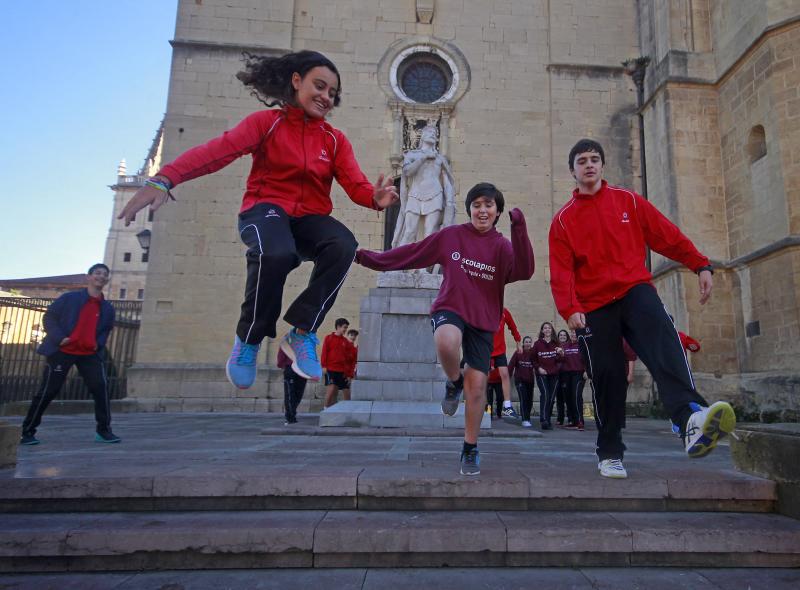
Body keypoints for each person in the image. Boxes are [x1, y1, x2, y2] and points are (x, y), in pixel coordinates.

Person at [118, 50, 398, 389]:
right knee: (276, 252)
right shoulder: (266, 124)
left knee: (343, 244)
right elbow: (216, 152)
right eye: (319, 86)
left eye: (332, 93)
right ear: (296, 81)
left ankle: (302, 332)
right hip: (264, 211)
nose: (325, 97)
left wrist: (374, 197)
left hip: (308, 218)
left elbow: (355, 183)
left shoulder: (334, 140)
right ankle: (248, 339)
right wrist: (164, 178)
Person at [549, 138, 735, 479]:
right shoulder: (563, 221)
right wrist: (569, 308)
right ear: (573, 171)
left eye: (594, 159)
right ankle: (609, 452)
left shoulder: (628, 201)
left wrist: (699, 264)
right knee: (608, 375)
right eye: (581, 161)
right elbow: (560, 271)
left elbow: (666, 235)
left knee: (665, 343)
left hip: (635, 289)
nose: (589, 165)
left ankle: (689, 417)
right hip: (593, 306)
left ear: (602, 166)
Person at [356, 182, 535, 475]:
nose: (482, 210)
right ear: (469, 210)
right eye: (476, 205)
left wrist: (520, 228)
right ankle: (453, 382)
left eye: (489, 205)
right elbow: (412, 253)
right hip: (450, 307)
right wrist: (368, 258)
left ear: (498, 211)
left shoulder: (502, 246)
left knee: (476, 388)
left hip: (483, 320)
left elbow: (525, 270)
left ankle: (470, 447)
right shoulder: (452, 236)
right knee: (446, 341)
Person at [19, 264, 120, 445]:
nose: (101, 277)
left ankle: (104, 431)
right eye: (97, 273)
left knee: (101, 389)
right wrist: (59, 338)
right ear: (88, 277)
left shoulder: (107, 308)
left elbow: (105, 329)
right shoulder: (70, 298)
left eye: (105, 275)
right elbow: (49, 317)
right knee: (49, 391)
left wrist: (98, 344)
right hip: (63, 350)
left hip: (89, 353)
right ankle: (27, 431)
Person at [392, 124, 456, 250]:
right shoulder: (412, 155)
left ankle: (423, 268)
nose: (433, 134)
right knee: (410, 232)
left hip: (435, 195)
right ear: (423, 136)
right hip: (415, 195)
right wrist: (424, 157)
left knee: (430, 234)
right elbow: (407, 172)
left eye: (435, 133)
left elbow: (448, 181)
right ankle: (399, 263)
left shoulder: (440, 159)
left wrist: (449, 203)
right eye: (430, 132)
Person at [491, 307, 522, 423]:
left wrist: (518, 341)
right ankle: (482, 406)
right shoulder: (483, 309)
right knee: (483, 377)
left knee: (504, 374)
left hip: (499, 350)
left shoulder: (504, 312)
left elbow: (512, 326)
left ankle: (507, 406)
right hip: (486, 349)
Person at [321, 318, 356, 407]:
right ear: (338, 327)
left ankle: (347, 411)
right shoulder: (328, 338)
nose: (345, 330)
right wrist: (324, 366)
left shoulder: (345, 342)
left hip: (342, 371)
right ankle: (326, 409)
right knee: (332, 389)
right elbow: (324, 352)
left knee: (347, 392)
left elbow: (352, 357)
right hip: (331, 369)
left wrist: (350, 374)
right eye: (344, 327)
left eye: (346, 328)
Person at [532, 321, 560, 430]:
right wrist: (539, 368)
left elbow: (561, 360)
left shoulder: (556, 343)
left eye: (549, 328)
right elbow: (533, 358)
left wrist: (561, 354)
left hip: (554, 374)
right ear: (542, 331)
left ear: (552, 330)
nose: (547, 330)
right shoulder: (538, 344)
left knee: (551, 398)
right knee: (545, 395)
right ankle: (543, 419)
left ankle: (547, 419)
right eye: (545, 328)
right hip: (542, 374)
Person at [560, 329, 586, 430]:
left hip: (579, 374)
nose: (573, 334)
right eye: (572, 333)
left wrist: (586, 371)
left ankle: (580, 421)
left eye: (575, 333)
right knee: (568, 397)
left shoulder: (583, 345)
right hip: (567, 374)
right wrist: (561, 354)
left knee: (576, 396)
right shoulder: (565, 346)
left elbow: (588, 359)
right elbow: (561, 360)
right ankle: (572, 421)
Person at [508, 335, 536, 427]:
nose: (528, 343)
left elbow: (537, 364)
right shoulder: (518, 353)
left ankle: (527, 417)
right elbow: (511, 365)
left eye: (529, 342)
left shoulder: (533, 353)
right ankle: (525, 419)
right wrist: (507, 376)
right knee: (523, 399)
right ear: (523, 343)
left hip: (530, 381)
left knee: (529, 401)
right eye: (526, 342)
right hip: (520, 380)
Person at [278, 348, 306, 425]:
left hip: (302, 369)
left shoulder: (306, 340)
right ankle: (290, 416)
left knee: (299, 393)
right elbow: (282, 352)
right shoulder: (287, 339)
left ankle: (292, 412)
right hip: (290, 368)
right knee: (290, 394)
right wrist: (281, 364)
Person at [555, 329, 570, 424]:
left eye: (564, 335)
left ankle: (570, 418)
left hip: (566, 374)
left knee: (567, 397)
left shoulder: (569, 346)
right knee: (559, 397)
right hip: (557, 374)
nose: (562, 336)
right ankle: (560, 418)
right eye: (560, 335)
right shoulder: (555, 346)